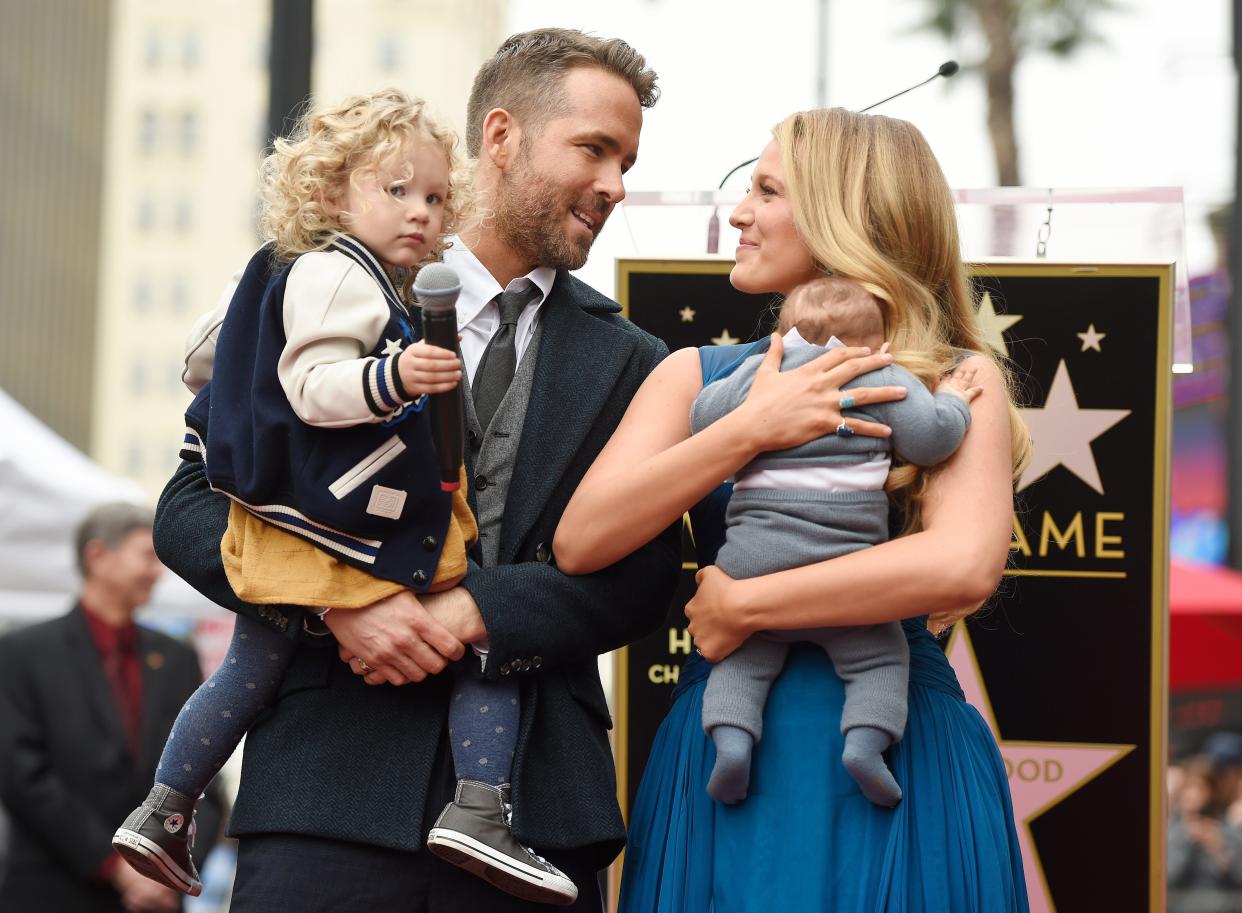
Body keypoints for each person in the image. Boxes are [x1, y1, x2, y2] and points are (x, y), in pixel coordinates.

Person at [151, 28, 681, 913]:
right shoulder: (318, 285)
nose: (614, 186)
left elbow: (647, 576)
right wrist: (336, 597)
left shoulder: (635, 359)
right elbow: (189, 504)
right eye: (593, 149)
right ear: (502, 137)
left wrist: (478, 610)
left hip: (537, 809)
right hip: (324, 791)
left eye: (625, 160)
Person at [555, 107, 1033, 911]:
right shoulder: (694, 375)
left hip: (899, 755)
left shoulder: (954, 379)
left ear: (848, 217)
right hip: (728, 758)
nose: (739, 212)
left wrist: (745, 601)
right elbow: (582, 539)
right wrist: (752, 426)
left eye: (767, 190)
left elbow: (963, 562)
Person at [115, 88, 577, 905]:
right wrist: (394, 375)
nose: (420, 212)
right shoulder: (345, 279)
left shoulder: (285, 275)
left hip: (287, 532)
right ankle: (480, 806)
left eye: (434, 198)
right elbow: (305, 391)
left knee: (245, 670)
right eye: (395, 190)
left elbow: (224, 367)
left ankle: (164, 808)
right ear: (331, 192)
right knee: (481, 634)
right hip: (338, 569)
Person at [692, 277, 979, 808]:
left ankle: (731, 743)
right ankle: (866, 746)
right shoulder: (881, 375)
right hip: (843, 577)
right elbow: (932, 439)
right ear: (875, 341)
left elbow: (703, 420)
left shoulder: (761, 376)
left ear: (781, 336)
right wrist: (953, 400)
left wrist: (752, 392)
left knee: (741, 658)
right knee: (880, 659)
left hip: (751, 567)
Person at [0, 503, 222, 913]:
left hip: (156, 899)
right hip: (53, 890)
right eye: (147, 556)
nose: (158, 571)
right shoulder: (23, 653)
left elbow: (205, 781)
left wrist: (169, 873)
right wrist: (116, 867)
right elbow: (21, 776)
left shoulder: (177, 659)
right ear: (98, 557)